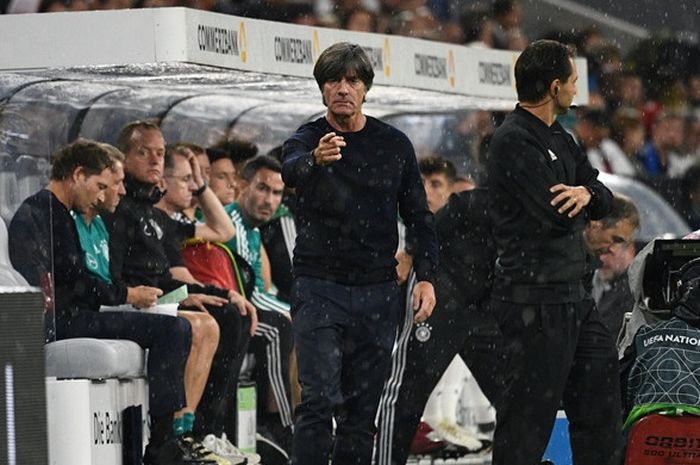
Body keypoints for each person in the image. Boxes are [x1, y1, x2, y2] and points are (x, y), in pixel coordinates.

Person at [281, 42, 439, 465]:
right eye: (333, 80)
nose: (342, 89)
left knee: (361, 411)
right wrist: (316, 160)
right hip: (319, 288)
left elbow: (420, 217)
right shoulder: (308, 138)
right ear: (322, 89)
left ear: (366, 88)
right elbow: (290, 169)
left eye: (352, 80)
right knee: (317, 401)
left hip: (377, 291)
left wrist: (426, 276)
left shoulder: (394, 145)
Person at [7, 139, 200, 465]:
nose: (101, 196)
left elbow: (75, 278)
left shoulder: (58, 214)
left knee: (177, 327)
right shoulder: (43, 215)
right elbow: (72, 283)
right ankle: (162, 444)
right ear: (77, 175)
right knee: (173, 330)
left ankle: (166, 438)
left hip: (73, 313)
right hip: (60, 321)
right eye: (99, 186)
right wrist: (125, 295)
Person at [487, 39, 621, 465]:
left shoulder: (561, 137)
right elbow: (555, 215)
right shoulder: (511, 140)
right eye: (573, 82)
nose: (576, 91)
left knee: (600, 407)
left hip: (575, 298)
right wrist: (584, 200)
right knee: (527, 422)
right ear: (554, 86)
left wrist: (585, 192)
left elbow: (602, 197)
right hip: (534, 302)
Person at [103, 122, 255, 461]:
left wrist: (200, 185)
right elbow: (126, 276)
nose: (155, 160)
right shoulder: (119, 208)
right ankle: (181, 432)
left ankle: (198, 429)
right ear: (124, 158)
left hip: (160, 297)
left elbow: (222, 229)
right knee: (209, 322)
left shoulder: (156, 217)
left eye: (160, 153)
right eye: (145, 152)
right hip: (134, 300)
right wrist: (180, 295)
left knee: (229, 313)